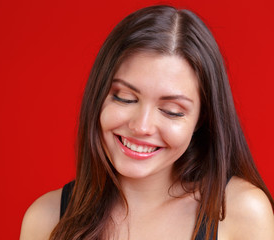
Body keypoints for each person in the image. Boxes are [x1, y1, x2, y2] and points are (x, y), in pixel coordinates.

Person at [20, 5, 274, 240]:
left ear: (201, 120)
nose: (141, 127)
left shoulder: (240, 210)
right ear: (98, 97)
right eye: (125, 98)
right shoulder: (47, 218)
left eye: (172, 111)